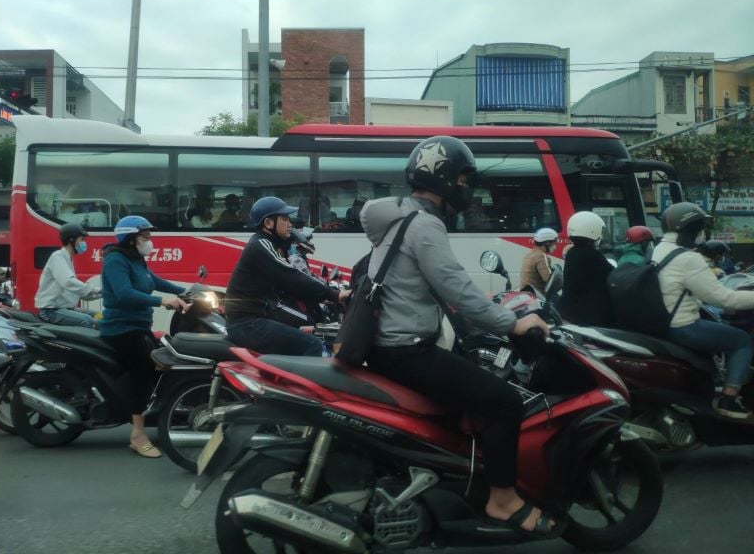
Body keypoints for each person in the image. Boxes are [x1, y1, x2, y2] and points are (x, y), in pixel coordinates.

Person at [360, 136, 557, 537]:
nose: (468, 188)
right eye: (465, 179)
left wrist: (485, 306)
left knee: (468, 404)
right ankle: (502, 500)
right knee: (504, 402)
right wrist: (513, 323)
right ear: (446, 179)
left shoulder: (401, 218)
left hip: (389, 346)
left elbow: (430, 285)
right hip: (407, 350)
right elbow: (455, 288)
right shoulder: (425, 223)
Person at [99, 216, 189, 457]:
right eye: (145, 237)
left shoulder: (136, 259)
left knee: (164, 361)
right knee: (144, 371)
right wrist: (162, 301)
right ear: (130, 239)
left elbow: (153, 281)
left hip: (139, 326)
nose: (150, 241)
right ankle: (137, 434)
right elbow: (124, 294)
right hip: (121, 329)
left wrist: (187, 290)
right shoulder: (115, 260)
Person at [654, 203, 754, 419]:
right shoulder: (688, 258)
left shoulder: (657, 250)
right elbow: (724, 298)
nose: (701, 233)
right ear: (690, 228)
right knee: (741, 341)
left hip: (662, 322)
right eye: (699, 227)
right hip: (684, 327)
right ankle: (730, 401)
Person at [224, 197, 350, 357]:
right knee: (312, 344)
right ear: (269, 223)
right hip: (248, 323)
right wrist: (335, 295)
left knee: (312, 329)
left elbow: (295, 279)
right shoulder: (261, 245)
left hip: (259, 317)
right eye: (284, 219)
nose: (290, 224)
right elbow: (291, 277)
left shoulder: (273, 245)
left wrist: (325, 293)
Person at [34, 224, 101, 328]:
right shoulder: (58, 257)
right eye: (81, 239)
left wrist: (103, 293)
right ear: (71, 240)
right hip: (51, 311)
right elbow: (69, 282)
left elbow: (75, 291)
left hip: (65, 308)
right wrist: (95, 289)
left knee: (99, 316)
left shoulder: (68, 258)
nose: (84, 243)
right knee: (88, 321)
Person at [558, 211, 614, 326]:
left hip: (570, 309)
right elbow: (611, 273)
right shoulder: (592, 254)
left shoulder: (572, 252)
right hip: (588, 314)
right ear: (592, 230)